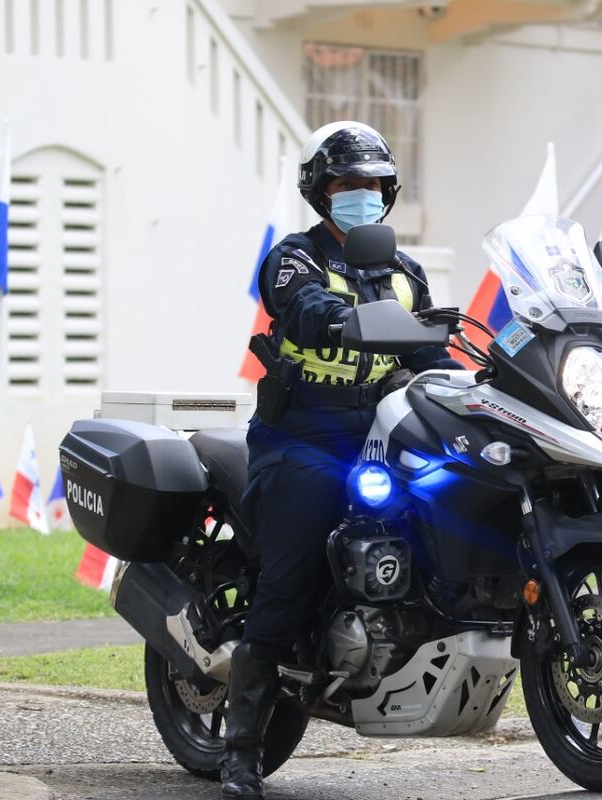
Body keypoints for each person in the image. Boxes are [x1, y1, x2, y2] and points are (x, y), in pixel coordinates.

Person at [221, 121, 459, 800]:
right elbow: (298, 307)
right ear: (321, 192)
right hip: (302, 438)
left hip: (381, 434)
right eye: (347, 184)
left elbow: (431, 353)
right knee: (290, 573)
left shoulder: (404, 273)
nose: (362, 195)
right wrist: (330, 314)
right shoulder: (295, 257)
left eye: (373, 184)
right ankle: (241, 752)